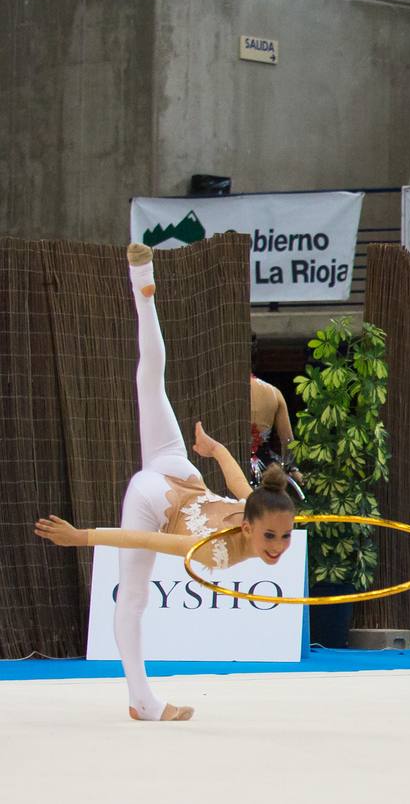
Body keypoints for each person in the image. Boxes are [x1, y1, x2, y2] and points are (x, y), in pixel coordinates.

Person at [28, 244, 301, 722]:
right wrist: (214, 450)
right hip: (166, 480)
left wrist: (83, 538)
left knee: (133, 596)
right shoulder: (226, 537)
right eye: (272, 535)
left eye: (284, 536)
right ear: (248, 525)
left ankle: (143, 702)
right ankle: (143, 288)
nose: (279, 545)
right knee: (150, 382)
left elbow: (218, 501)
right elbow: (163, 526)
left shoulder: (236, 529)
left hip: (165, 487)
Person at [248, 371, 294, 475]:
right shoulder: (274, 392)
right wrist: (289, 468)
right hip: (268, 469)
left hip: (234, 465)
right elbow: (288, 440)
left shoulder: (224, 391)